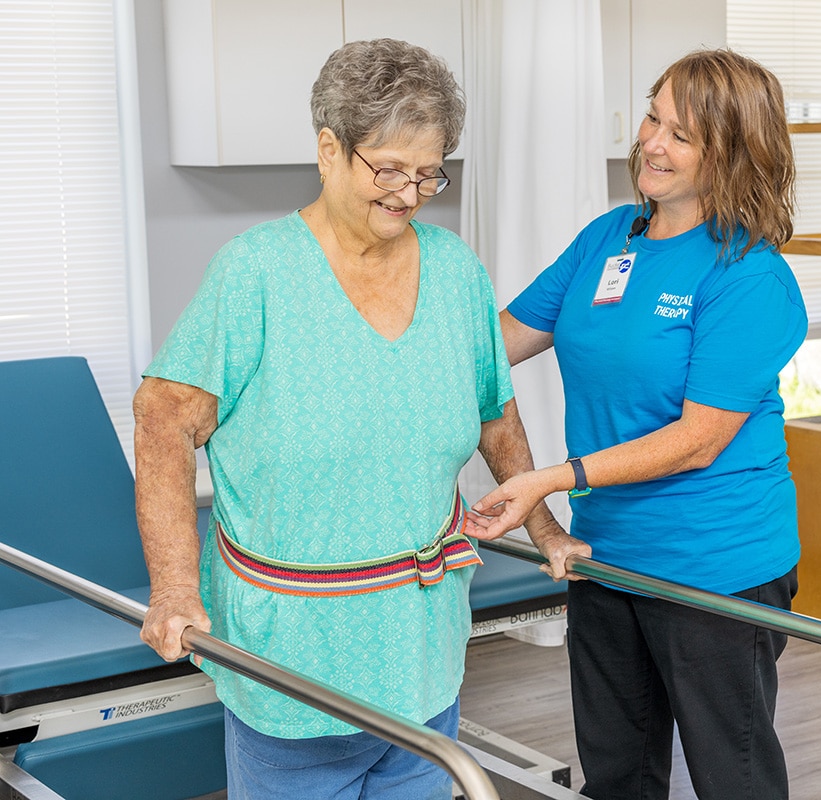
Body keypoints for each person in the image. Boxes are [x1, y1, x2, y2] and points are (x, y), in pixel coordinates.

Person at [134, 38, 573, 799]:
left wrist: (545, 526)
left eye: (428, 171)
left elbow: (491, 409)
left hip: (421, 650)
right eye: (390, 169)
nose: (409, 193)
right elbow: (162, 420)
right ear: (329, 150)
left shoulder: (455, 272)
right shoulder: (256, 274)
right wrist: (174, 586)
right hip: (293, 664)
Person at [468, 48, 809, 800]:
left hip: (716, 569)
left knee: (734, 777)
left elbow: (699, 440)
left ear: (733, 152)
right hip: (609, 556)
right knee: (616, 773)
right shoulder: (608, 239)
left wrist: (552, 479)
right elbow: (491, 349)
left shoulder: (748, 275)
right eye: (654, 116)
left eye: (683, 134)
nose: (653, 142)